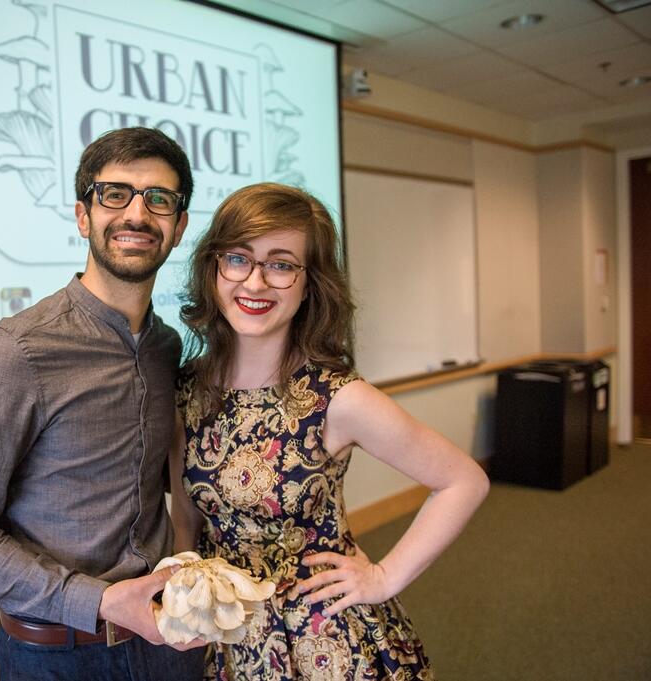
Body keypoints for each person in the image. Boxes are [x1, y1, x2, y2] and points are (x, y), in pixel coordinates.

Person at [169, 183, 489, 680]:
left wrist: (384, 576)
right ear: (214, 269)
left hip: (323, 637)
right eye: (237, 258)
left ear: (309, 283)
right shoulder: (189, 387)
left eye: (280, 264)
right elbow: (187, 515)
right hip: (225, 636)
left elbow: (464, 480)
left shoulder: (337, 397)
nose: (254, 282)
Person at [0, 127, 205, 681]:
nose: (137, 214)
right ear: (84, 217)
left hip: (170, 639)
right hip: (58, 656)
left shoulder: (166, 347)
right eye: (114, 194)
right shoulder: (16, 351)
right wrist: (96, 602)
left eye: (159, 199)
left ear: (178, 227)